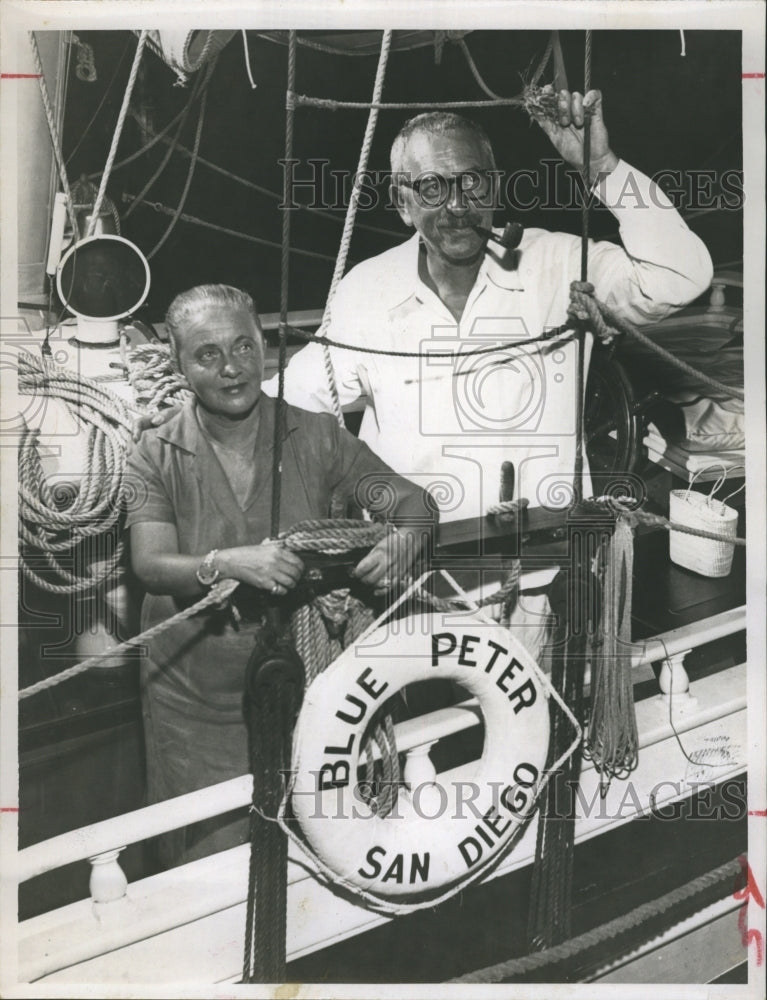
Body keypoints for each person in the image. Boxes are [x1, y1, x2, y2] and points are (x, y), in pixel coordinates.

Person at [262, 90, 713, 522]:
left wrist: (600, 167)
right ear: (403, 203)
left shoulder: (557, 263)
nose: (457, 206)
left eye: (471, 182)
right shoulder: (366, 288)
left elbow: (680, 276)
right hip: (410, 569)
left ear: (494, 187)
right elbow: (291, 401)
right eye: (432, 188)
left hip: (543, 563)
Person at [124, 284, 435, 868]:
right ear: (178, 363)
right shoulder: (154, 453)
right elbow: (150, 564)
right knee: (210, 867)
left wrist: (408, 539)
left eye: (244, 346)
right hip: (196, 705)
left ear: (265, 347)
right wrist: (224, 562)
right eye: (207, 354)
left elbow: (413, 502)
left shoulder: (317, 436)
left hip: (305, 690)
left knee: (316, 857)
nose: (232, 368)